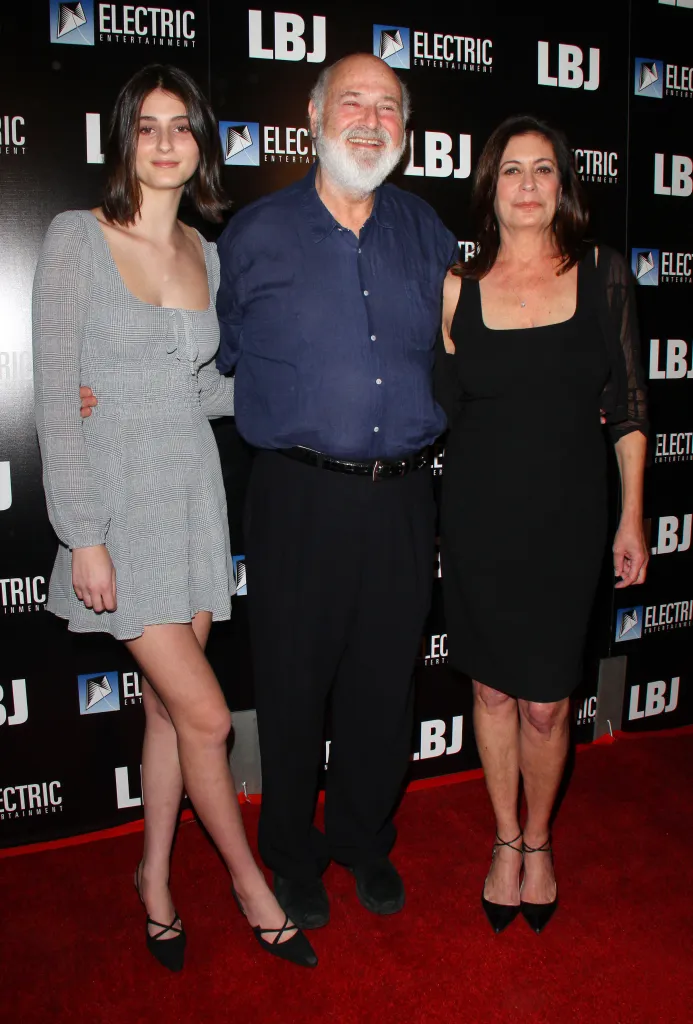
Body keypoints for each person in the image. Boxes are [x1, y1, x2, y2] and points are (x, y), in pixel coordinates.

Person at [33, 64, 315, 971]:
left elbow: (210, 390)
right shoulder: (76, 238)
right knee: (208, 718)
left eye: (181, 127)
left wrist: (304, 377)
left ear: (201, 145)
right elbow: (51, 396)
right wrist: (83, 533)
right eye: (146, 125)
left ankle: (153, 876)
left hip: (192, 501)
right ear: (123, 140)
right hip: (117, 508)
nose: (163, 142)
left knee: (165, 714)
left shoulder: (209, 250)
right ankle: (248, 881)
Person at [214, 53, 459, 930]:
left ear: (405, 128)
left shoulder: (428, 232)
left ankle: (361, 839)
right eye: (349, 101)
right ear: (312, 114)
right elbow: (221, 353)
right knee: (288, 684)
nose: (368, 118)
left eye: (386, 106)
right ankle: (290, 853)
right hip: (296, 498)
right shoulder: (255, 234)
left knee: (382, 686)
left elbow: (458, 356)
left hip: (401, 499)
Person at [436, 115, 648, 935]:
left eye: (542, 170)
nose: (526, 184)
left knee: (547, 706)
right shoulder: (458, 288)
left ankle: (539, 839)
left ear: (563, 185)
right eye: (511, 171)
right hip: (481, 518)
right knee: (491, 688)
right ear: (490, 188)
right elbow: (440, 409)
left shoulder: (602, 274)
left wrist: (630, 517)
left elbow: (629, 404)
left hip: (567, 521)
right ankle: (503, 841)